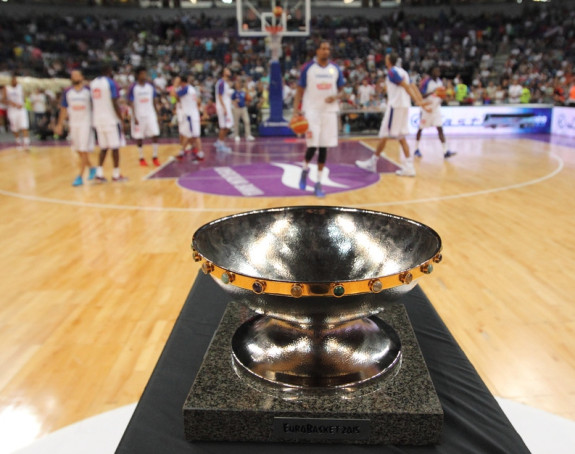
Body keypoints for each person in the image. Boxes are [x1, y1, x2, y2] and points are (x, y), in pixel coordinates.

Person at [355, 52, 429, 177]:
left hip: (396, 106)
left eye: (386, 58)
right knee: (400, 136)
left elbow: (406, 86)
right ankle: (409, 167)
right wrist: (420, 100)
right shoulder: (403, 71)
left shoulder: (392, 72)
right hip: (404, 106)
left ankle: (372, 163)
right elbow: (413, 86)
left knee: (384, 134)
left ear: (389, 61)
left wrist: (418, 101)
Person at [292, 40, 345, 198]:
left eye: (328, 48)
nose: (326, 51)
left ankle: (318, 183)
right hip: (312, 112)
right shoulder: (308, 68)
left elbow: (342, 91)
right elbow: (299, 90)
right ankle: (304, 169)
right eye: (323, 48)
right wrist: (296, 111)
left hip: (329, 112)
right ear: (317, 51)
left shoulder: (335, 69)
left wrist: (335, 96)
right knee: (313, 146)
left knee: (323, 148)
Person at [54, 69, 96, 187]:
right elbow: (63, 109)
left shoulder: (88, 90)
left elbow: (95, 106)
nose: (75, 77)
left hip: (86, 123)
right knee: (78, 149)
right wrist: (60, 124)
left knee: (83, 149)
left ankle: (80, 175)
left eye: (77, 75)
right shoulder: (67, 92)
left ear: (82, 77)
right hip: (74, 123)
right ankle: (92, 168)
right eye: (73, 76)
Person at [90, 65, 127, 183]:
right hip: (111, 119)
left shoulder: (93, 83)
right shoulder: (111, 83)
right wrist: (121, 118)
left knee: (103, 147)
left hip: (98, 119)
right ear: (109, 71)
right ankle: (116, 174)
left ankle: (99, 174)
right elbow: (114, 101)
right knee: (115, 147)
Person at [414, 67, 455, 159]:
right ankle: (416, 149)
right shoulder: (426, 82)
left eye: (439, 71)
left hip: (436, 108)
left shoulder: (440, 82)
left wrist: (442, 96)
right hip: (426, 108)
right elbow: (421, 95)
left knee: (440, 129)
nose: (438, 72)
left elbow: (440, 94)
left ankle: (445, 151)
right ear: (432, 72)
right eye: (435, 71)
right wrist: (433, 92)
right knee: (420, 129)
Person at [128, 67, 161, 167]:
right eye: (142, 74)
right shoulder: (133, 87)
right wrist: (134, 116)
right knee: (139, 137)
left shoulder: (150, 86)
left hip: (150, 114)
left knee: (155, 134)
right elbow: (131, 102)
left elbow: (154, 100)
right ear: (138, 75)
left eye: (145, 74)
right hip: (139, 115)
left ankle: (155, 156)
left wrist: (157, 114)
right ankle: (141, 157)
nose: (144, 76)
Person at [174, 75, 204, 161]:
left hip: (190, 115)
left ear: (182, 82)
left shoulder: (186, 89)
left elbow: (174, 95)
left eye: (180, 83)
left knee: (194, 135)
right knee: (188, 135)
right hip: (191, 114)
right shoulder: (191, 88)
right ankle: (182, 152)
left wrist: (175, 85)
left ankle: (200, 153)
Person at [2, 74, 30, 151]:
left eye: (16, 80)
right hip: (12, 110)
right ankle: (18, 142)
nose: (15, 81)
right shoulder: (6, 88)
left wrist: (22, 103)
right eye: (13, 80)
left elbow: (24, 97)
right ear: (11, 81)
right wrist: (12, 103)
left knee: (24, 126)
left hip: (21, 110)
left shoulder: (20, 87)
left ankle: (26, 144)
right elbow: (3, 100)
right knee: (15, 128)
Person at [214, 67, 233, 153]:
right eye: (227, 70)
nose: (229, 71)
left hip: (226, 106)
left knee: (227, 126)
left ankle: (219, 142)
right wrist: (224, 108)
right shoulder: (221, 83)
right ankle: (221, 145)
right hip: (223, 107)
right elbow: (220, 96)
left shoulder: (225, 83)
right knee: (224, 126)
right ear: (223, 73)